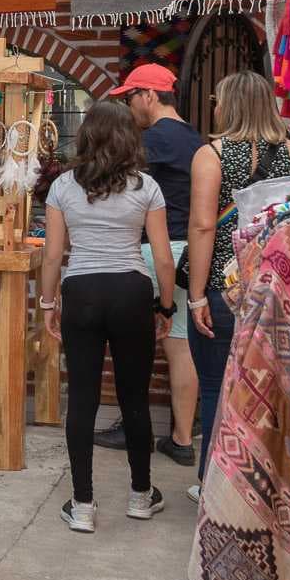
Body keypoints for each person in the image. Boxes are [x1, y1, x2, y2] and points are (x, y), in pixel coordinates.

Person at [40, 100, 176, 534]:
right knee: (133, 396)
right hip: (130, 290)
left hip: (81, 291)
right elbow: (162, 258)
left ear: (86, 136)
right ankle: (140, 496)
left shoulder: (63, 185)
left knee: (82, 398)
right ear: (128, 139)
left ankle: (82, 504)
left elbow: (52, 255)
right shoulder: (147, 187)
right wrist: (166, 305)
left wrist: (47, 304)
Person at [185, 71, 290, 502]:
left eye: (218, 99)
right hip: (280, 291)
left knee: (214, 387)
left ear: (232, 104)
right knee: (275, 396)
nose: (214, 106)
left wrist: (197, 293)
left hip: (225, 286)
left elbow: (204, 226)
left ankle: (214, 487)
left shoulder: (212, 154)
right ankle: (265, 489)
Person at [93, 64, 202, 467]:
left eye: (130, 97)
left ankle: (132, 427)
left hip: (156, 250)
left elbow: (117, 188)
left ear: (150, 96)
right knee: (180, 344)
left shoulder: (153, 141)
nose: (129, 106)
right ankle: (182, 438)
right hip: (189, 250)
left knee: (134, 346)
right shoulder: (194, 138)